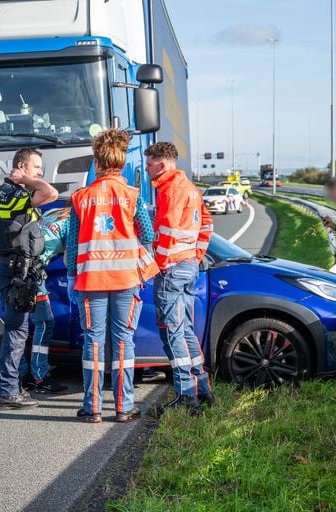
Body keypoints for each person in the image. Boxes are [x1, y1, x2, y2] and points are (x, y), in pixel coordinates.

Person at [66, 129, 159, 423]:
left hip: (91, 281)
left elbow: (72, 244)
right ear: (121, 162)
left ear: (97, 161)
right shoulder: (133, 196)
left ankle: (92, 408)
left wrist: (71, 274)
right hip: (125, 280)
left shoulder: (80, 198)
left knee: (92, 342)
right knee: (123, 342)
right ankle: (123, 407)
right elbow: (147, 233)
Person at [145, 142, 214, 417]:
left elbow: (167, 231)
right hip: (187, 266)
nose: (147, 168)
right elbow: (207, 223)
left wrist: (158, 266)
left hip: (172, 269)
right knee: (184, 330)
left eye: (149, 164)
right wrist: (196, 255)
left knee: (171, 332)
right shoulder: (190, 187)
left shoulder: (169, 188)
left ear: (162, 164)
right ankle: (203, 388)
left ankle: (187, 396)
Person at [0, 148, 59, 410]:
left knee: (16, 330)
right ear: (21, 166)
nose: (40, 172)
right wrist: (26, 181)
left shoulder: (2, 193)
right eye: (36, 167)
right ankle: (8, 392)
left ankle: (12, 387)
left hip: (12, 269)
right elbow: (50, 193)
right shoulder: (15, 195)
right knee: (17, 332)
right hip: (15, 272)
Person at [20, 207, 72, 395]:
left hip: (19, 270)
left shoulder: (53, 213)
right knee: (45, 323)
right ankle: (40, 375)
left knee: (20, 326)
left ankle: (21, 373)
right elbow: (69, 261)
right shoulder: (72, 223)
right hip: (32, 275)